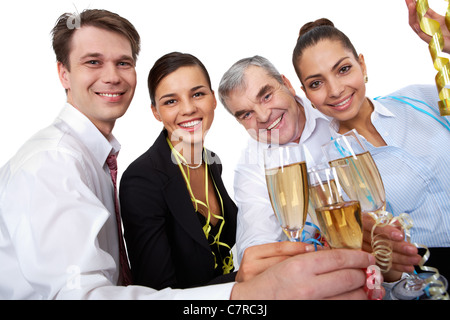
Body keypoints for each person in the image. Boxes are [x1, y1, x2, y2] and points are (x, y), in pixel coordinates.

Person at [0, 8, 380, 300]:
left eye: (123, 63)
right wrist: (240, 294)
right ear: (63, 73)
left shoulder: (211, 162)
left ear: (214, 100)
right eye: (93, 62)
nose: (112, 76)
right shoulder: (55, 164)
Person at [218, 56, 422, 282]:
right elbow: (257, 245)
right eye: (246, 114)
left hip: (403, 257)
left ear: (287, 83)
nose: (264, 116)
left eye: (267, 96)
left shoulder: (337, 112)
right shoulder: (251, 166)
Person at [291, 9, 450, 278]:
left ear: (362, 65)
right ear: (306, 94)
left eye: (343, 69)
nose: (336, 90)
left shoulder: (422, 99)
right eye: (316, 83)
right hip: (427, 281)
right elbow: (314, 249)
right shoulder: (325, 171)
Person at [119, 52, 239, 289]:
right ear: (156, 112)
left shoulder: (212, 163)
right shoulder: (141, 180)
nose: (188, 109)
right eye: (171, 101)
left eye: (197, 94)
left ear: (214, 99)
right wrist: (248, 279)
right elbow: (157, 291)